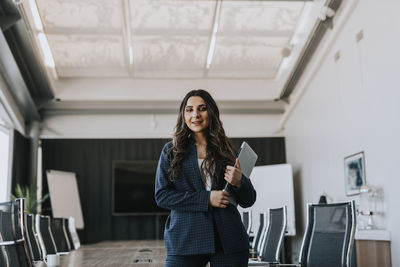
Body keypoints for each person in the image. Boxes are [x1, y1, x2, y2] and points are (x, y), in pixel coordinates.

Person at [155, 89, 257, 267]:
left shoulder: (230, 152)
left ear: (211, 112)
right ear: (183, 115)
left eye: (202, 108)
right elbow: (162, 196)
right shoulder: (171, 151)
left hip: (229, 241)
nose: (195, 115)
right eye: (189, 110)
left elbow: (249, 200)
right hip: (186, 239)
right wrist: (207, 198)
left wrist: (239, 182)